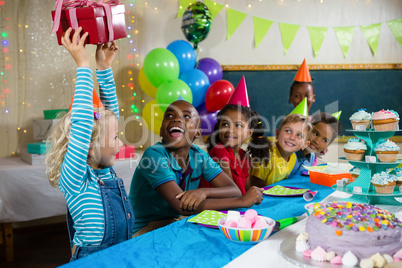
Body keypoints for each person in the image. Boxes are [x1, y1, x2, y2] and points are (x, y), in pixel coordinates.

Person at [45, 27, 134, 261]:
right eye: (115, 139)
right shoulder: (75, 177)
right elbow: (85, 123)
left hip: (121, 256)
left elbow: (109, 115)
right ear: (88, 145)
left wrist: (103, 67)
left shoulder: (105, 171)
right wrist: (82, 64)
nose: (119, 144)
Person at [128, 100, 264, 236]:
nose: (176, 119)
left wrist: (203, 192)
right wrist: (242, 202)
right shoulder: (154, 155)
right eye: (169, 115)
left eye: (186, 116)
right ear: (161, 130)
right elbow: (182, 207)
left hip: (173, 222)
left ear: (198, 132)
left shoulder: (198, 155)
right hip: (142, 230)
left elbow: (234, 190)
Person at [198, 104, 271, 194]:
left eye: (238, 125)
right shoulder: (219, 151)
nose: (230, 130)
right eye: (225, 124)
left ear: (249, 133)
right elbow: (231, 193)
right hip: (216, 205)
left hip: (237, 202)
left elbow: (246, 189)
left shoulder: (245, 156)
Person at [249, 113, 313, 187]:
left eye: (299, 135)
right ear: (277, 134)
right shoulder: (266, 155)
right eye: (288, 131)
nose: (292, 137)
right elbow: (256, 188)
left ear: (305, 145)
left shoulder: (293, 158)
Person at [289, 112, 342, 176]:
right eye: (315, 134)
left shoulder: (312, 157)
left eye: (325, 140)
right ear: (306, 129)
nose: (317, 141)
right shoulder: (289, 152)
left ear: (328, 145)